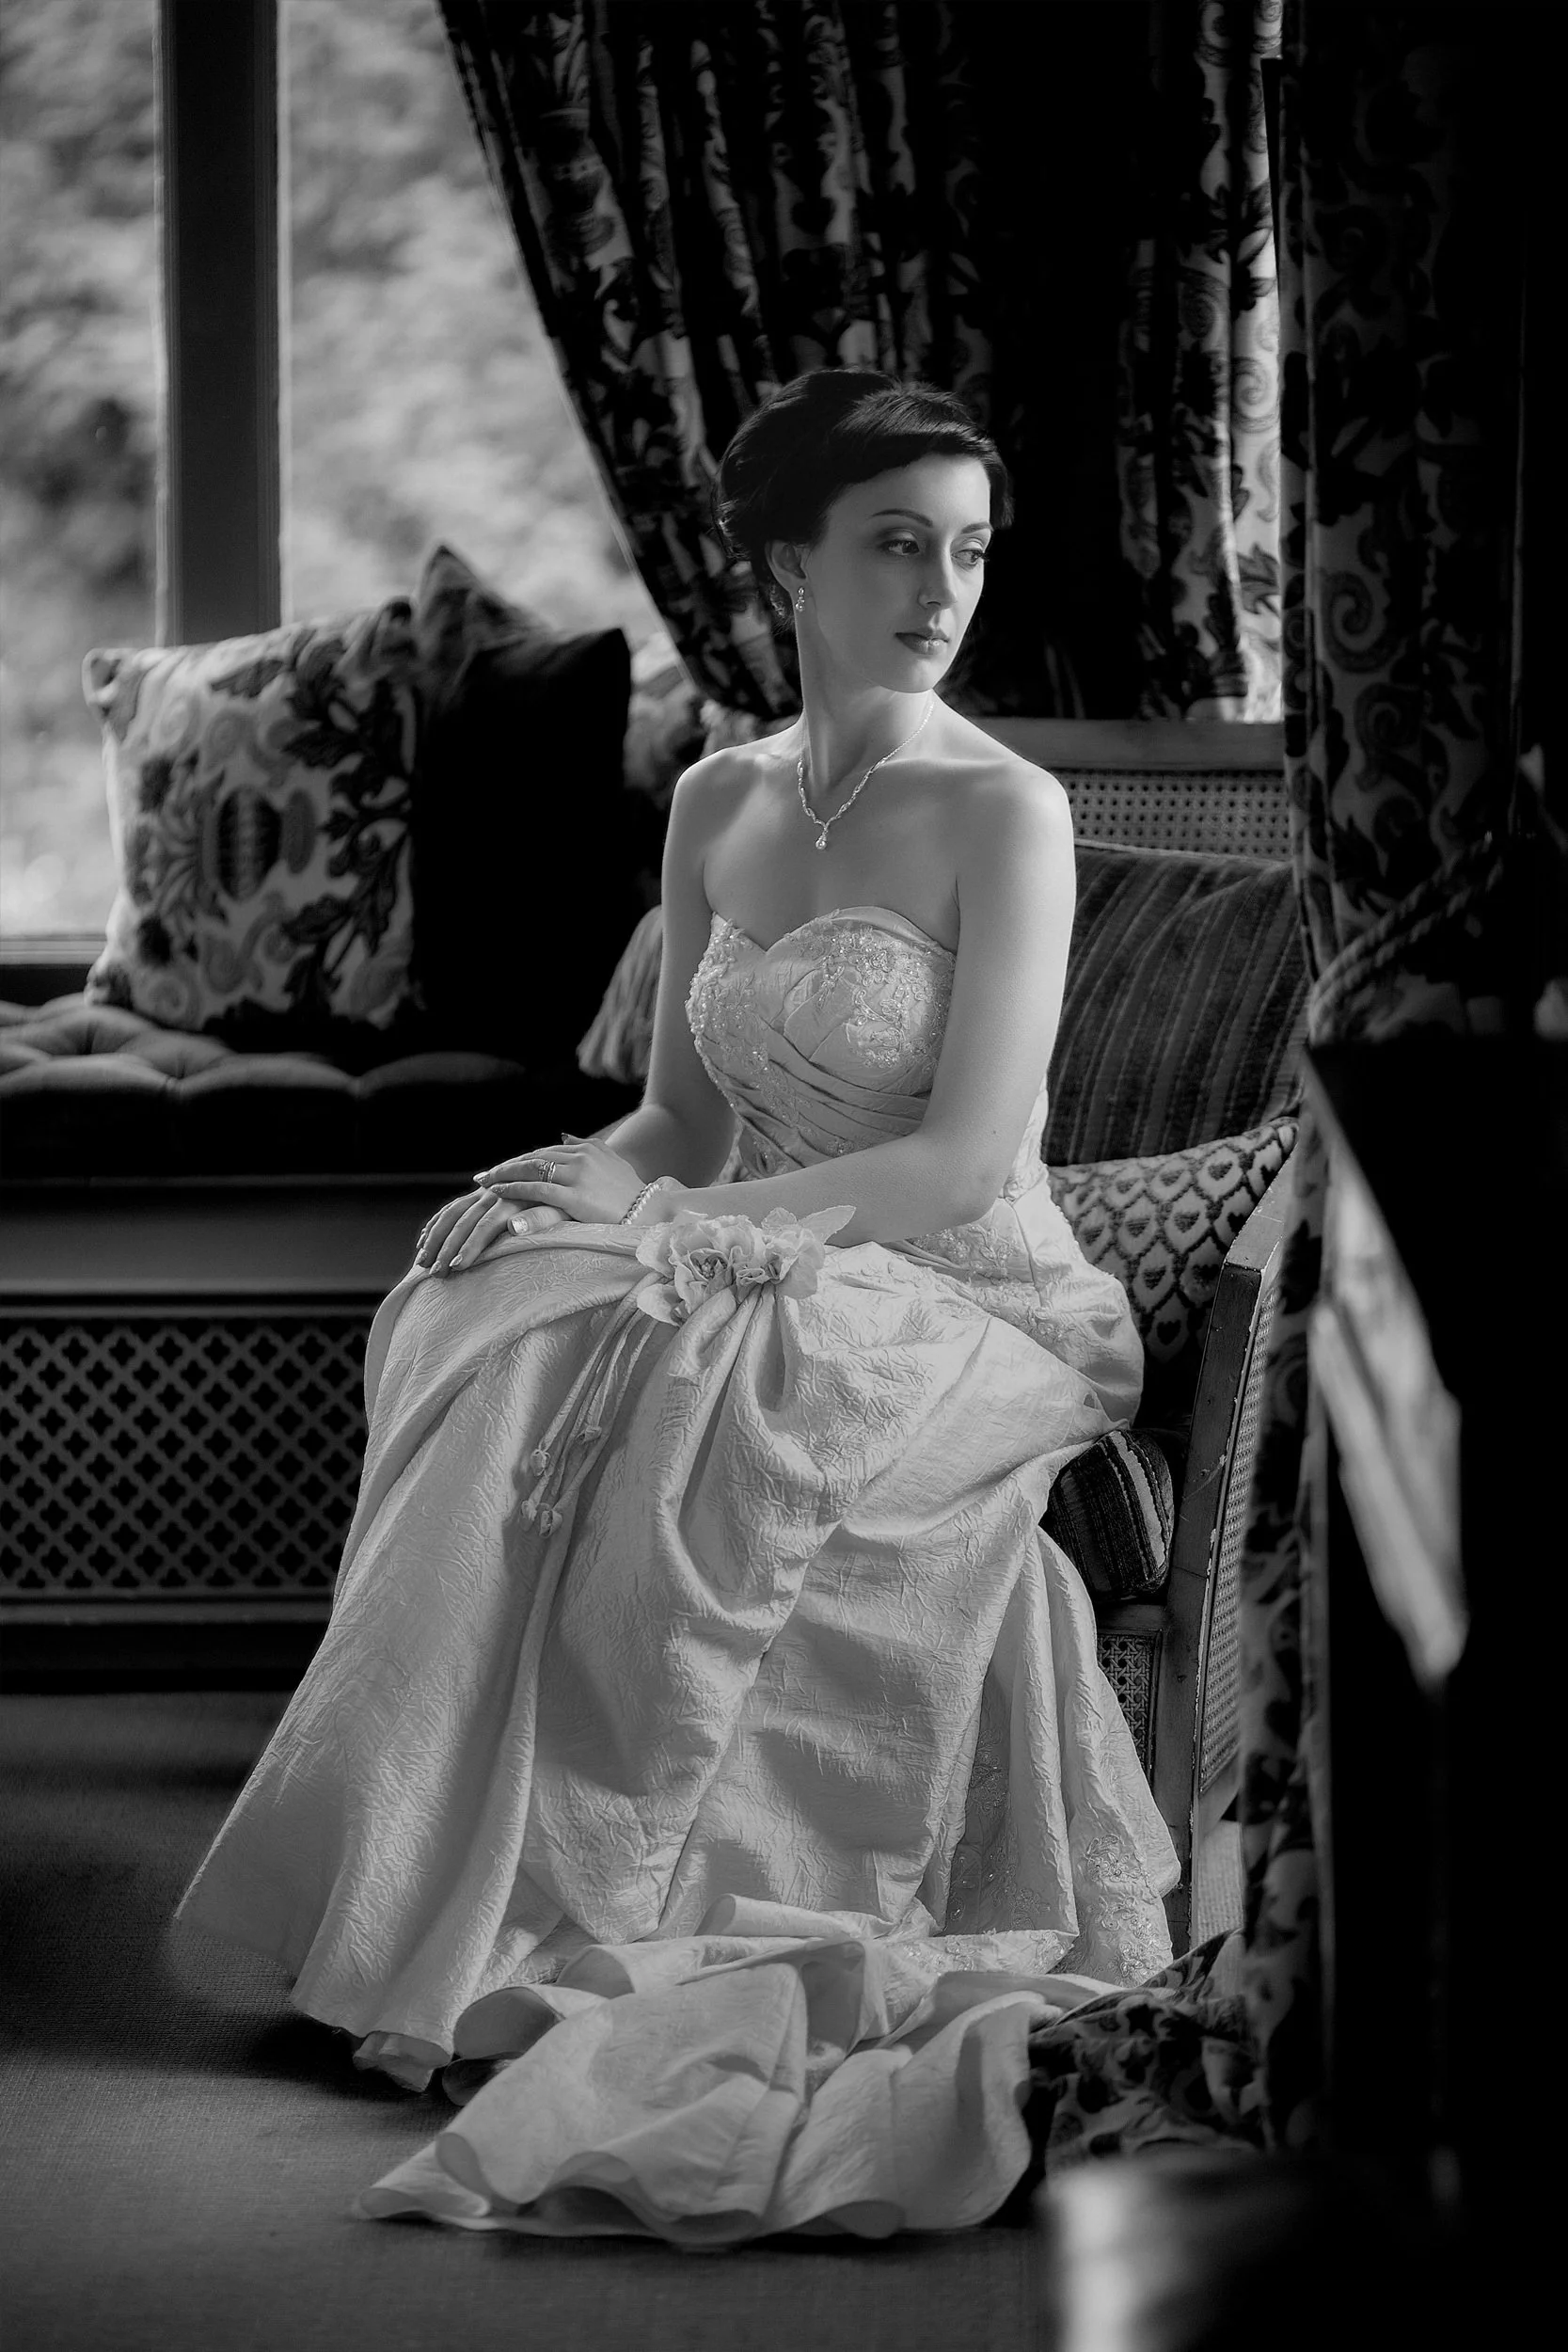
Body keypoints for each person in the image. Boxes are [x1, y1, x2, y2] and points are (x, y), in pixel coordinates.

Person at [176, 369, 1178, 2233]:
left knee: (729, 1375)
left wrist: (687, 1228)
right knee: (492, 1304)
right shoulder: (721, 796)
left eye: (967, 550)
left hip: (966, 1286)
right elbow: (676, 1120)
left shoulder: (1005, 809)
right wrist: (571, 1180)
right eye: (895, 544)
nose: (940, 589)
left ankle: (652, 1902)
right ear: (787, 561)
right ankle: (451, 1902)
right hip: (748, 1224)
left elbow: (960, 1160)